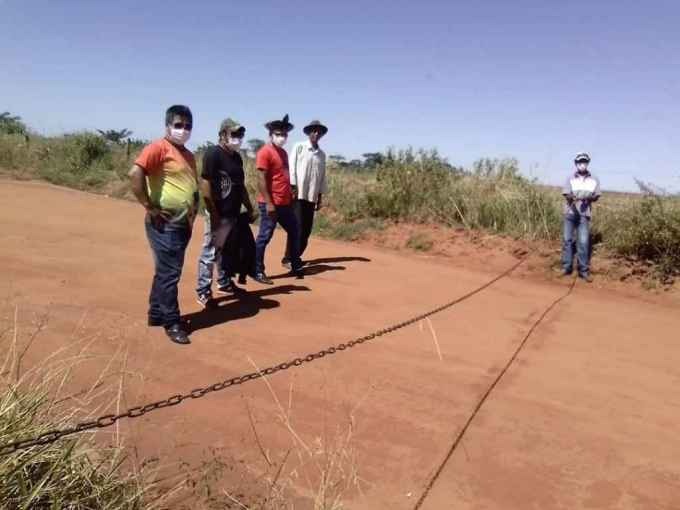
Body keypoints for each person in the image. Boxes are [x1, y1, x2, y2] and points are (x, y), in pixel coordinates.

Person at [128, 105, 198, 344]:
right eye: (178, 125)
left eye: (188, 126)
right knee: (170, 274)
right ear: (168, 126)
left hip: (182, 224)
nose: (183, 130)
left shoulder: (188, 154)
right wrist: (149, 206)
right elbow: (135, 174)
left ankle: (156, 313)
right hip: (164, 223)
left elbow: (191, 185)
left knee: (166, 271)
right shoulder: (159, 148)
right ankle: (172, 321)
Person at [198, 118, 255, 307]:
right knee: (210, 251)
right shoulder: (213, 154)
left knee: (226, 251)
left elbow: (240, 186)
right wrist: (213, 212)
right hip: (218, 212)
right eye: (234, 134)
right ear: (223, 135)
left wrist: (249, 206)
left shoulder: (236, 158)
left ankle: (224, 282)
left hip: (233, 213)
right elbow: (205, 183)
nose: (238, 138)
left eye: (240, 135)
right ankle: (203, 291)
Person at [253, 115, 303, 284]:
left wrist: (291, 192)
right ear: (271, 135)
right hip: (271, 203)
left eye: (284, 134)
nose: (282, 137)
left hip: (285, 202)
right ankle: (257, 269)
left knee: (295, 230)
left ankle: (294, 263)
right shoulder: (265, 152)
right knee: (265, 236)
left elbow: (283, 176)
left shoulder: (283, 153)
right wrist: (268, 203)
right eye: (278, 134)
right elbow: (261, 179)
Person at [282, 120, 328, 269]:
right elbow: (291, 167)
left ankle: (297, 256)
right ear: (308, 132)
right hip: (298, 194)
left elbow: (322, 176)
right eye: (313, 131)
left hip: (312, 195)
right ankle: (288, 258)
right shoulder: (299, 147)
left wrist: (320, 196)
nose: (316, 134)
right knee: (297, 227)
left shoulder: (321, 154)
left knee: (307, 229)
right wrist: (293, 187)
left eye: (319, 132)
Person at [561, 152, 601, 282]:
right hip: (570, 213)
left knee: (583, 242)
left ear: (588, 163)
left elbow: (596, 196)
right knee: (567, 240)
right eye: (579, 162)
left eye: (584, 161)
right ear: (576, 163)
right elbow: (566, 194)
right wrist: (572, 197)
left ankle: (583, 271)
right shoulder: (570, 178)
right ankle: (566, 268)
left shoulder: (594, 179)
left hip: (584, 215)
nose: (582, 164)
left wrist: (589, 198)